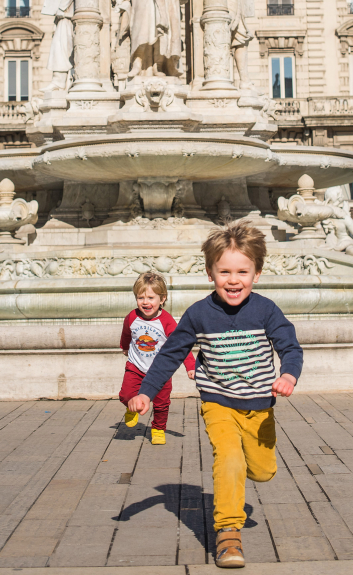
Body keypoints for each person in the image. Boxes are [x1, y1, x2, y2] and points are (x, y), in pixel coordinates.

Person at [128, 222, 303, 568]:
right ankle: (227, 535)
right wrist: (146, 392)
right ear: (210, 273)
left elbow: (290, 346)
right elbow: (170, 354)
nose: (233, 280)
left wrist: (288, 374)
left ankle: (241, 482)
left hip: (260, 405)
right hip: (218, 402)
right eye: (224, 272)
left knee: (263, 470)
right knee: (229, 459)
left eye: (242, 271)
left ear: (257, 273)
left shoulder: (266, 310)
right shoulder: (198, 314)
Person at [119, 271, 196, 445]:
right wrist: (124, 347)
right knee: (125, 394)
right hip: (136, 366)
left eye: (151, 298)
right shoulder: (132, 317)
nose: (145, 302)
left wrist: (190, 366)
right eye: (140, 298)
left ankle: (158, 429)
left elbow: (180, 344)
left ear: (162, 299)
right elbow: (126, 333)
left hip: (160, 371)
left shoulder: (167, 321)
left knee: (161, 404)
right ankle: (131, 407)